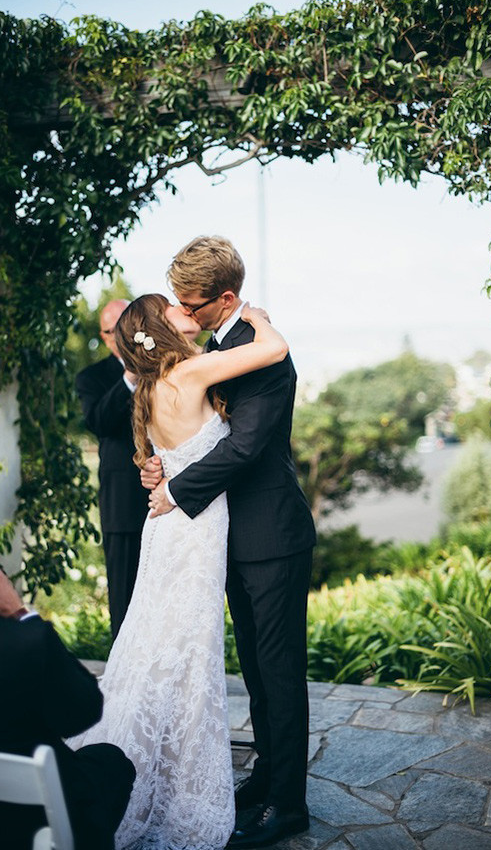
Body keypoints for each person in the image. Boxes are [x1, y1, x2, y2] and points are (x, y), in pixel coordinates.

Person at [69, 293, 289, 850]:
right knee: (187, 657)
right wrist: (258, 318)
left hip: (167, 529)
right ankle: (180, 785)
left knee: (153, 646)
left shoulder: (146, 390)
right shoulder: (190, 373)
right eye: (171, 307)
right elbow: (275, 349)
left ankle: (144, 767)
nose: (179, 311)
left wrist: (160, 476)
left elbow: (152, 460)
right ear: (160, 328)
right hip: (194, 530)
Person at [144, 236, 316, 849]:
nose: (184, 315)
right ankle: (268, 774)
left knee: (279, 671)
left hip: (272, 535)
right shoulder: (222, 344)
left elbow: (244, 447)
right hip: (232, 538)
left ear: (225, 297)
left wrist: (175, 491)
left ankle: (288, 806)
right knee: (257, 672)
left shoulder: (265, 355)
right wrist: (163, 466)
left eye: (192, 304)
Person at [0, 490, 135, 850]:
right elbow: (83, 712)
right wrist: (20, 612)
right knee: (110, 762)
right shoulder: (22, 645)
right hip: (26, 829)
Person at [75, 299, 155, 639]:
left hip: (169, 495)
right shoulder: (92, 377)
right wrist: (129, 376)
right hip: (123, 502)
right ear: (106, 337)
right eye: (115, 329)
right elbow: (98, 421)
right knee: (124, 594)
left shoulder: (162, 365)